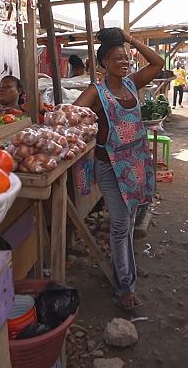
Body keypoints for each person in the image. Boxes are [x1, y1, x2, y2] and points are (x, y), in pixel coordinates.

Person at [74, 27, 163, 310]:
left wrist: (130, 39)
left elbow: (158, 63)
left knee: (129, 221)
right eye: (117, 58)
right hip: (110, 167)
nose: (124, 62)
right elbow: (72, 116)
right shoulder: (96, 92)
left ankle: (126, 271)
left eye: (126, 58)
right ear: (103, 63)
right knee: (121, 224)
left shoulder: (131, 84)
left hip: (136, 164)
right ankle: (125, 286)